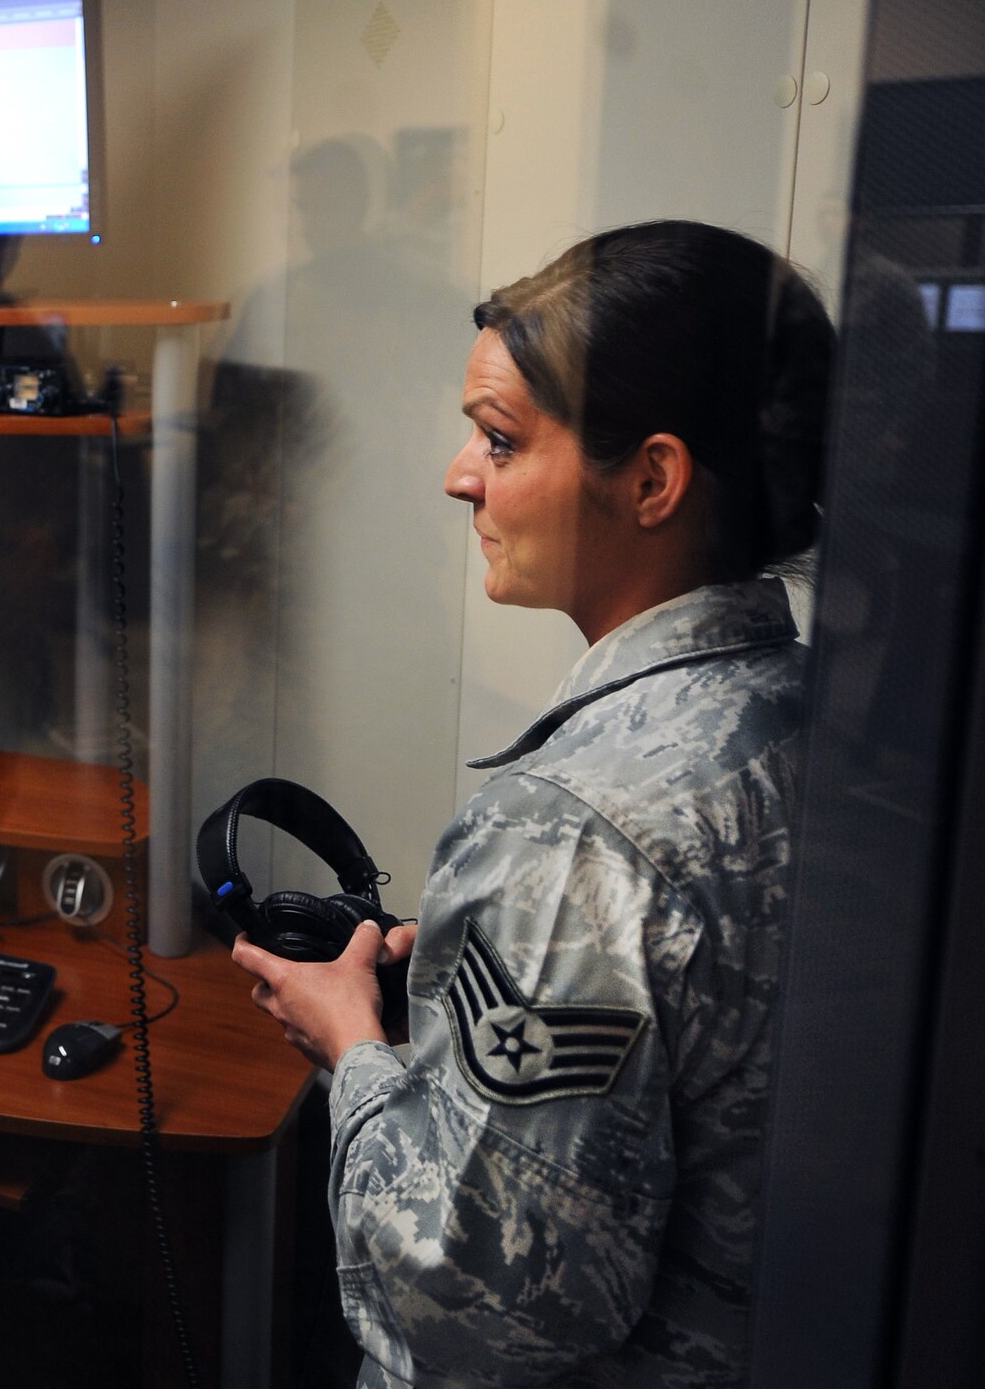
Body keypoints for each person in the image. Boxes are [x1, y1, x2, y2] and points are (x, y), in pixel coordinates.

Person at [231, 220, 833, 1387]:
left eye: (501, 440)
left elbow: (480, 1300)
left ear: (651, 479)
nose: (459, 472)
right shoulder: (812, 715)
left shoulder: (572, 827)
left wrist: (350, 1045)